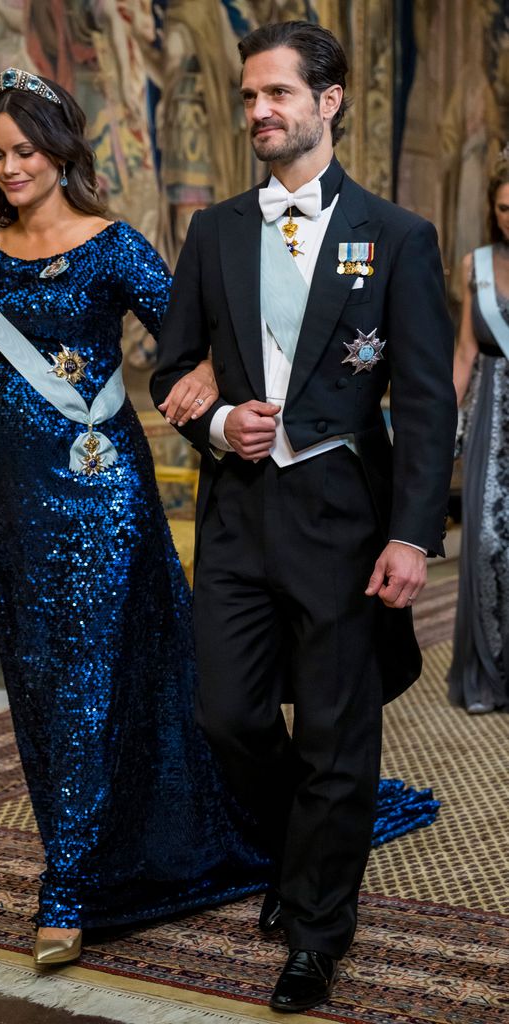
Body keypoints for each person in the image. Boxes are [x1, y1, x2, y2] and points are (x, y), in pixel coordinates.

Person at [152, 21, 457, 1014]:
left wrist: (411, 533)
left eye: (276, 93)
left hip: (345, 518)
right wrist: (218, 422)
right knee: (227, 714)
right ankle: (307, 840)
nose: (257, 112)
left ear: (327, 103)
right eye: (248, 97)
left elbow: (422, 400)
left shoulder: (397, 236)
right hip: (238, 514)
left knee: (336, 733)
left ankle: (318, 928)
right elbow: (169, 370)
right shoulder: (215, 234)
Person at [0, 66, 270, 968]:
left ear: (61, 150)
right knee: (42, 685)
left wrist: (209, 395)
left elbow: (189, 336)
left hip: (99, 494)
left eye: (26, 151)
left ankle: (68, 888)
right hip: (15, 503)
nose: (11, 168)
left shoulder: (114, 245)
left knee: (90, 675)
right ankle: (97, 844)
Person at [449, 152, 509, 714]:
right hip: (493, 407)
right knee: (488, 542)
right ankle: (491, 675)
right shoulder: (478, 265)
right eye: (505, 208)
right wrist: (442, 420)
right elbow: (466, 351)